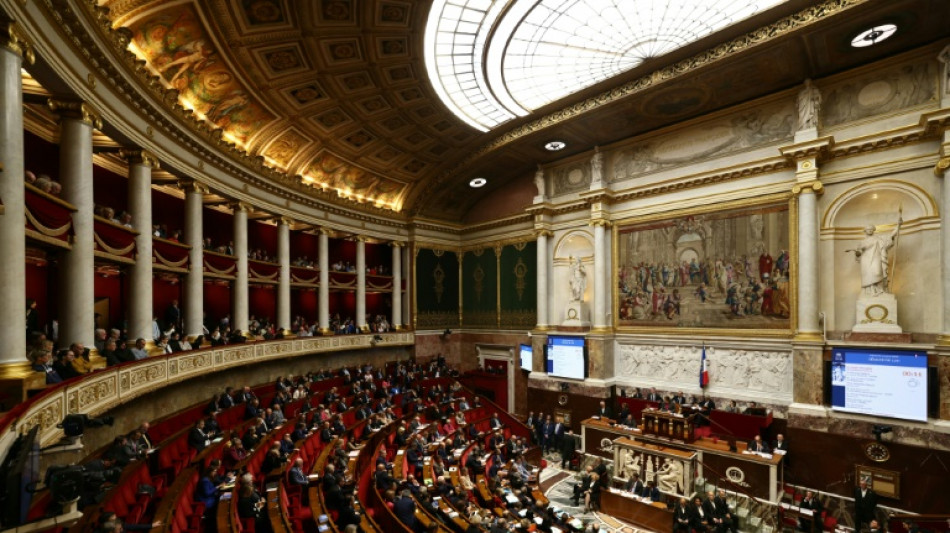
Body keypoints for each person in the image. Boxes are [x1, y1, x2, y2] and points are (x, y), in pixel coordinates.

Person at [848, 215, 902, 296]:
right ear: (865, 231)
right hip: (866, 261)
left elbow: (891, 236)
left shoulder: (878, 239)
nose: (869, 230)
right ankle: (870, 291)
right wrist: (857, 253)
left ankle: (880, 290)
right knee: (868, 275)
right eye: (868, 229)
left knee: (877, 272)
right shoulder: (862, 242)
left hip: (876, 258)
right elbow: (858, 254)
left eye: (871, 229)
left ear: (873, 230)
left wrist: (899, 225)